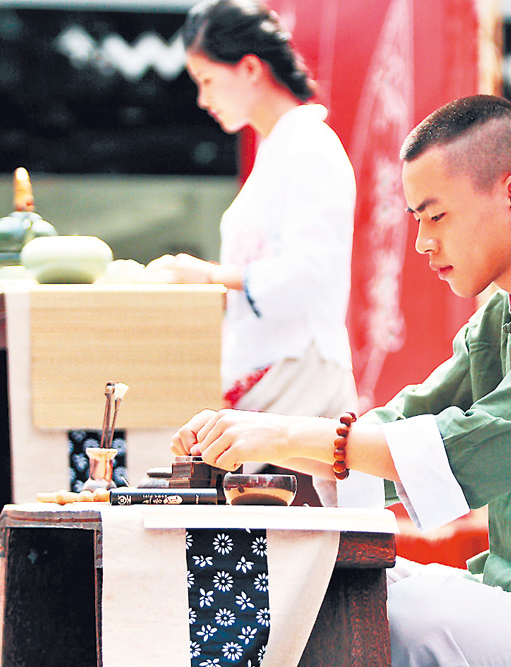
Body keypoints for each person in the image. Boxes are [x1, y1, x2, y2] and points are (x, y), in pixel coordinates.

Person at [171, 94, 511, 667]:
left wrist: (284, 436)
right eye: (416, 219)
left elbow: (481, 445)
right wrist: (249, 443)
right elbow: (406, 421)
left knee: (401, 614)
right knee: (324, 584)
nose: (422, 243)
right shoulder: (502, 316)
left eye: (435, 216)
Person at [147, 0, 365, 505]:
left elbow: (308, 271)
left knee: (293, 525)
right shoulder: (282, 146)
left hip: (301, 370)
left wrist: (209, 276)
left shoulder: (309, 144)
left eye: (206, 80)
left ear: (249, 68)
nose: (203, 99)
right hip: (277, 367)